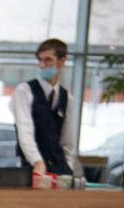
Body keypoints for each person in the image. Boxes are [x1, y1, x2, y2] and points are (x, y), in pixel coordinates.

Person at [10, 38, 84, 179]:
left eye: (48, 60)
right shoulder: (24, 91)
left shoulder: (67, 97)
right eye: (40, 60)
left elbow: (67, 140)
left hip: (60, 167)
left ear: (61, 61)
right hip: (33, 166)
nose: (42, 65)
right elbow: (24, 129)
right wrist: (37, 161)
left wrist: (68, 165)